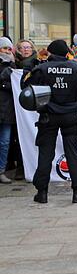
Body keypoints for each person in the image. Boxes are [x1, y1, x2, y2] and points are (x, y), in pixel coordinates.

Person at [24, 39, 77, 204]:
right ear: (67, 53)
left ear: (50, 53)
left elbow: (26, 86)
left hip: (48, 115)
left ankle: (42, 192)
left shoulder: (41, 69)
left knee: (45, 154)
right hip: (71, 115)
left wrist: (31, 64)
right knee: (73, 153)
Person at [0, 37, 16, 183]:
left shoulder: (13, 66)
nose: (6, 51)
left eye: (9, 48)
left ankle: (1, 171)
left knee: (5, 142)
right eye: (4, 48)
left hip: (6, 111)